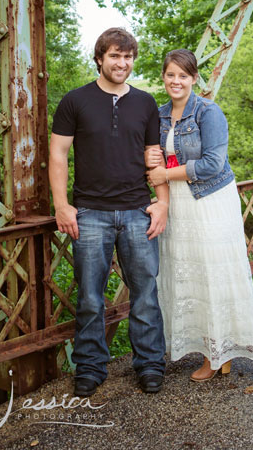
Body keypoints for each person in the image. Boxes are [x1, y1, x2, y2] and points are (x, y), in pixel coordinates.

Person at [146, 49, 253, 382]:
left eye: (183, 75)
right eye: (170, 74)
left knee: (223, 278)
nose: (176, 81)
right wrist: (155, 175)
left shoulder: (208, 111)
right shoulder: (159, 115)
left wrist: (165, 176)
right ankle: (216, 356)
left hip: (210, 203)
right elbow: (152, 159)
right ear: (163, 77)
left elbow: (212, 165)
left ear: (193, 79)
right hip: (179, 205)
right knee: (196, 280)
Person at [49, 28, 169, 396]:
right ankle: (90, 367)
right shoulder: (75, 101)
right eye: (115, 56)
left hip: (136, 211)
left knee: (146, 293)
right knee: (89, 296)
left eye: (128, 56)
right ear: (100, 58)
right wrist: (61, 205)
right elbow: (57, 155)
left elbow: (156, 158)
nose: (123, 63)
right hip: (90, 213)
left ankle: (149, 365)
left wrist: (162, 201)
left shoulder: (146, 103)